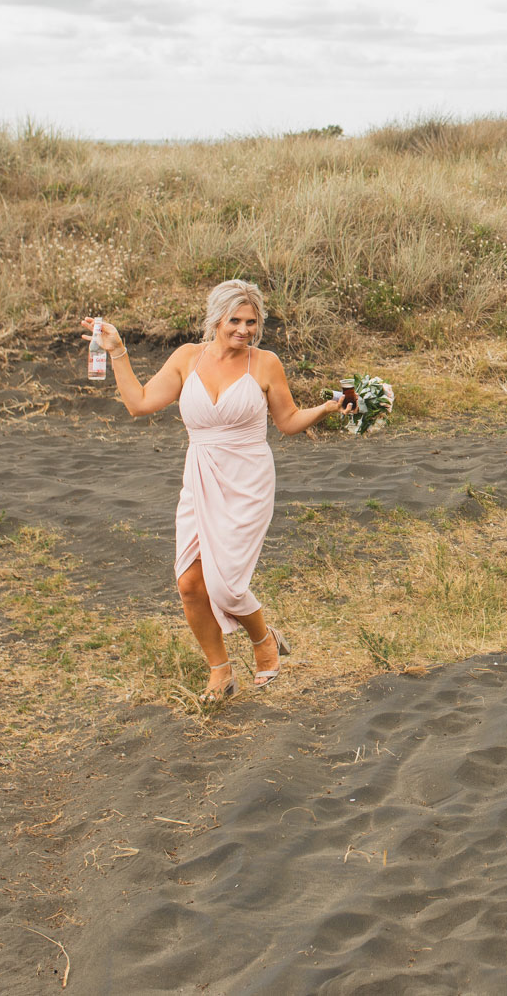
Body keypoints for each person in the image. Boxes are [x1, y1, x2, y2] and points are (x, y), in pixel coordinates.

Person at [79, 279, 344, 700]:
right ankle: (219, 671)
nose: (243, 330)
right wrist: (116, 351)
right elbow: (139, 403)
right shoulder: (188, 358)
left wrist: (326, 409)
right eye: (234, 321)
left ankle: (263, 641)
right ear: (216, 319)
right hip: (200, 475)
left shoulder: (266, 363)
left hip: (249, 480)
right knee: (188, 583)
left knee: (226, 585)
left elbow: (288, 421)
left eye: (251, 322)